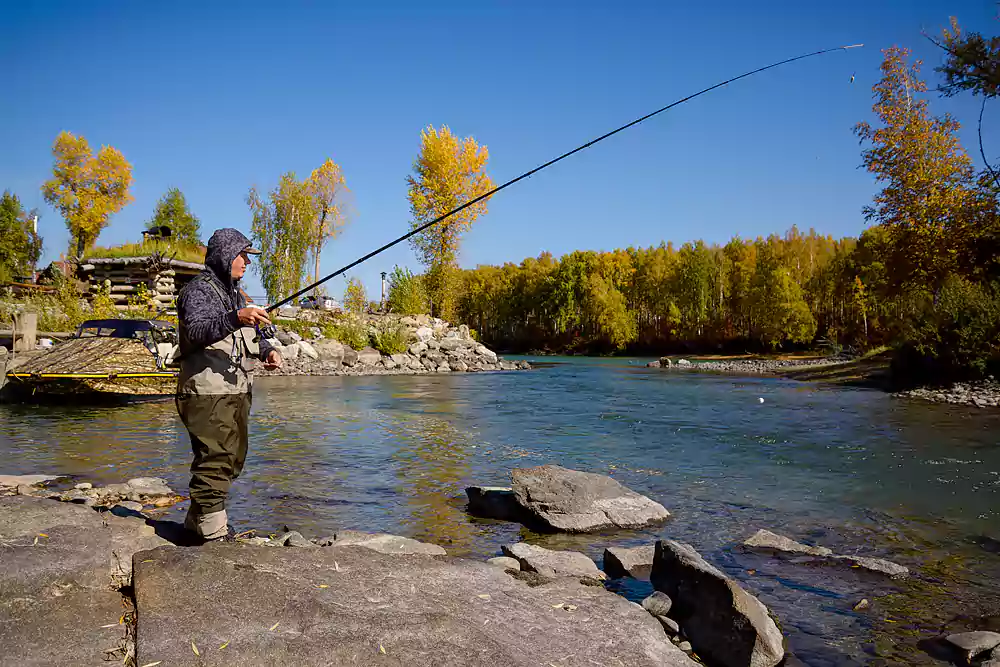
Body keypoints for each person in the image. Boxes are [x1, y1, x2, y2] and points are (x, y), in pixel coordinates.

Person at [174, 228, 282, 541]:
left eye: (248, 256)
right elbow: (196, 331)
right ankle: (213, 531)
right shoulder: (198, 291)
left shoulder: (236, 294)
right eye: (242, 255)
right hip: (207, 391)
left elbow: (254, 333)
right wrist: (236, 318)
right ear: (224, 255)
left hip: (236, 388)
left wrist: (268, 351)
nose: (247, 262)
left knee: (233, 458)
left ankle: (198, 520)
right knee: (216, 457)